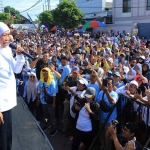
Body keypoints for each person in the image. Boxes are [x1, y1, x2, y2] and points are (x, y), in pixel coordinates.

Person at [0, 22, 25, 150]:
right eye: (4, 35)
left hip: (8, 101)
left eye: (9, 35)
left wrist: (20, 57)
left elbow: (16, 70)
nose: (8, 38)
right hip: (0, 105)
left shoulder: (8, 49)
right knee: (2, 139)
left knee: (7, 136)